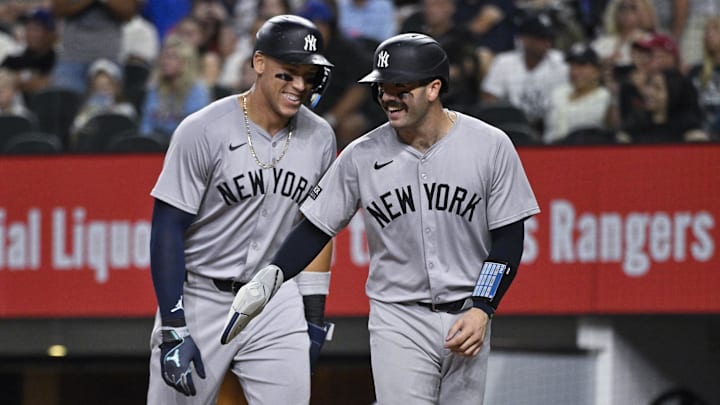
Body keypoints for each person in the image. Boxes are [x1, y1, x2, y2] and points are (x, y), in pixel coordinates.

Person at [222, 33, 540, 404]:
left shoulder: (490, 145)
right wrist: (271, 276)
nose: (388, 95)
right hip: (398, 318)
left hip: (467, 315)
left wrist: (483, 306)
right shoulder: (361, 155)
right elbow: (315, 228)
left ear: (434, 88)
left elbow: (508, 238)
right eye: (382, 86)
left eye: (400, 87)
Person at [146, 15, 337, 405]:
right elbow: (167, 227)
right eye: (288, 74)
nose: (300, 85)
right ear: (260, 63)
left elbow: (315, 228)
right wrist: (173, 326)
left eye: (308, 75)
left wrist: (314, 315)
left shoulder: (320, 136)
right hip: (201, 296)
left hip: (274, 299)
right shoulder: (204, 129)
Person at [481, 12, 569, 133]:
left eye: (549, 38)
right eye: (541, 38)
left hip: (549, 127)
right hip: (513, 129)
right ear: (524, 39)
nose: (547, 43)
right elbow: (489, 100)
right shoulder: (504, 62)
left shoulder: (561, 62)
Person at [49, 0, 142, 93]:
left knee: (106, 106)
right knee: (64, 103)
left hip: (109, 58)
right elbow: (57, 10)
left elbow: (128, 13)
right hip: (71, 59)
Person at [138, 34, 211, 139]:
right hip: (155, 147)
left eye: (172, 57)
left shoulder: (197, 90)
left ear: (186, 62)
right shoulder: (154, 88)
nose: (165, 62)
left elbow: (194, 129)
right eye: (164, 57)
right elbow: (146, 124)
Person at [544, 43, 613, 144]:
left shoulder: (606, 97)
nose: (575, 72)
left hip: (585, 154)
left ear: (597, 71)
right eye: (572, 66)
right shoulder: (557, 93)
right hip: (547, 153)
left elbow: (615, 128)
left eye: (582, 66)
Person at [1, 8, 57, 96]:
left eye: (36, 29)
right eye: (28, 28)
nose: (31, 34)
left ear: (50, 33)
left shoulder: (57, 60)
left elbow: (50, 83)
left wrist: (18, 83)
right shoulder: (12, 59)